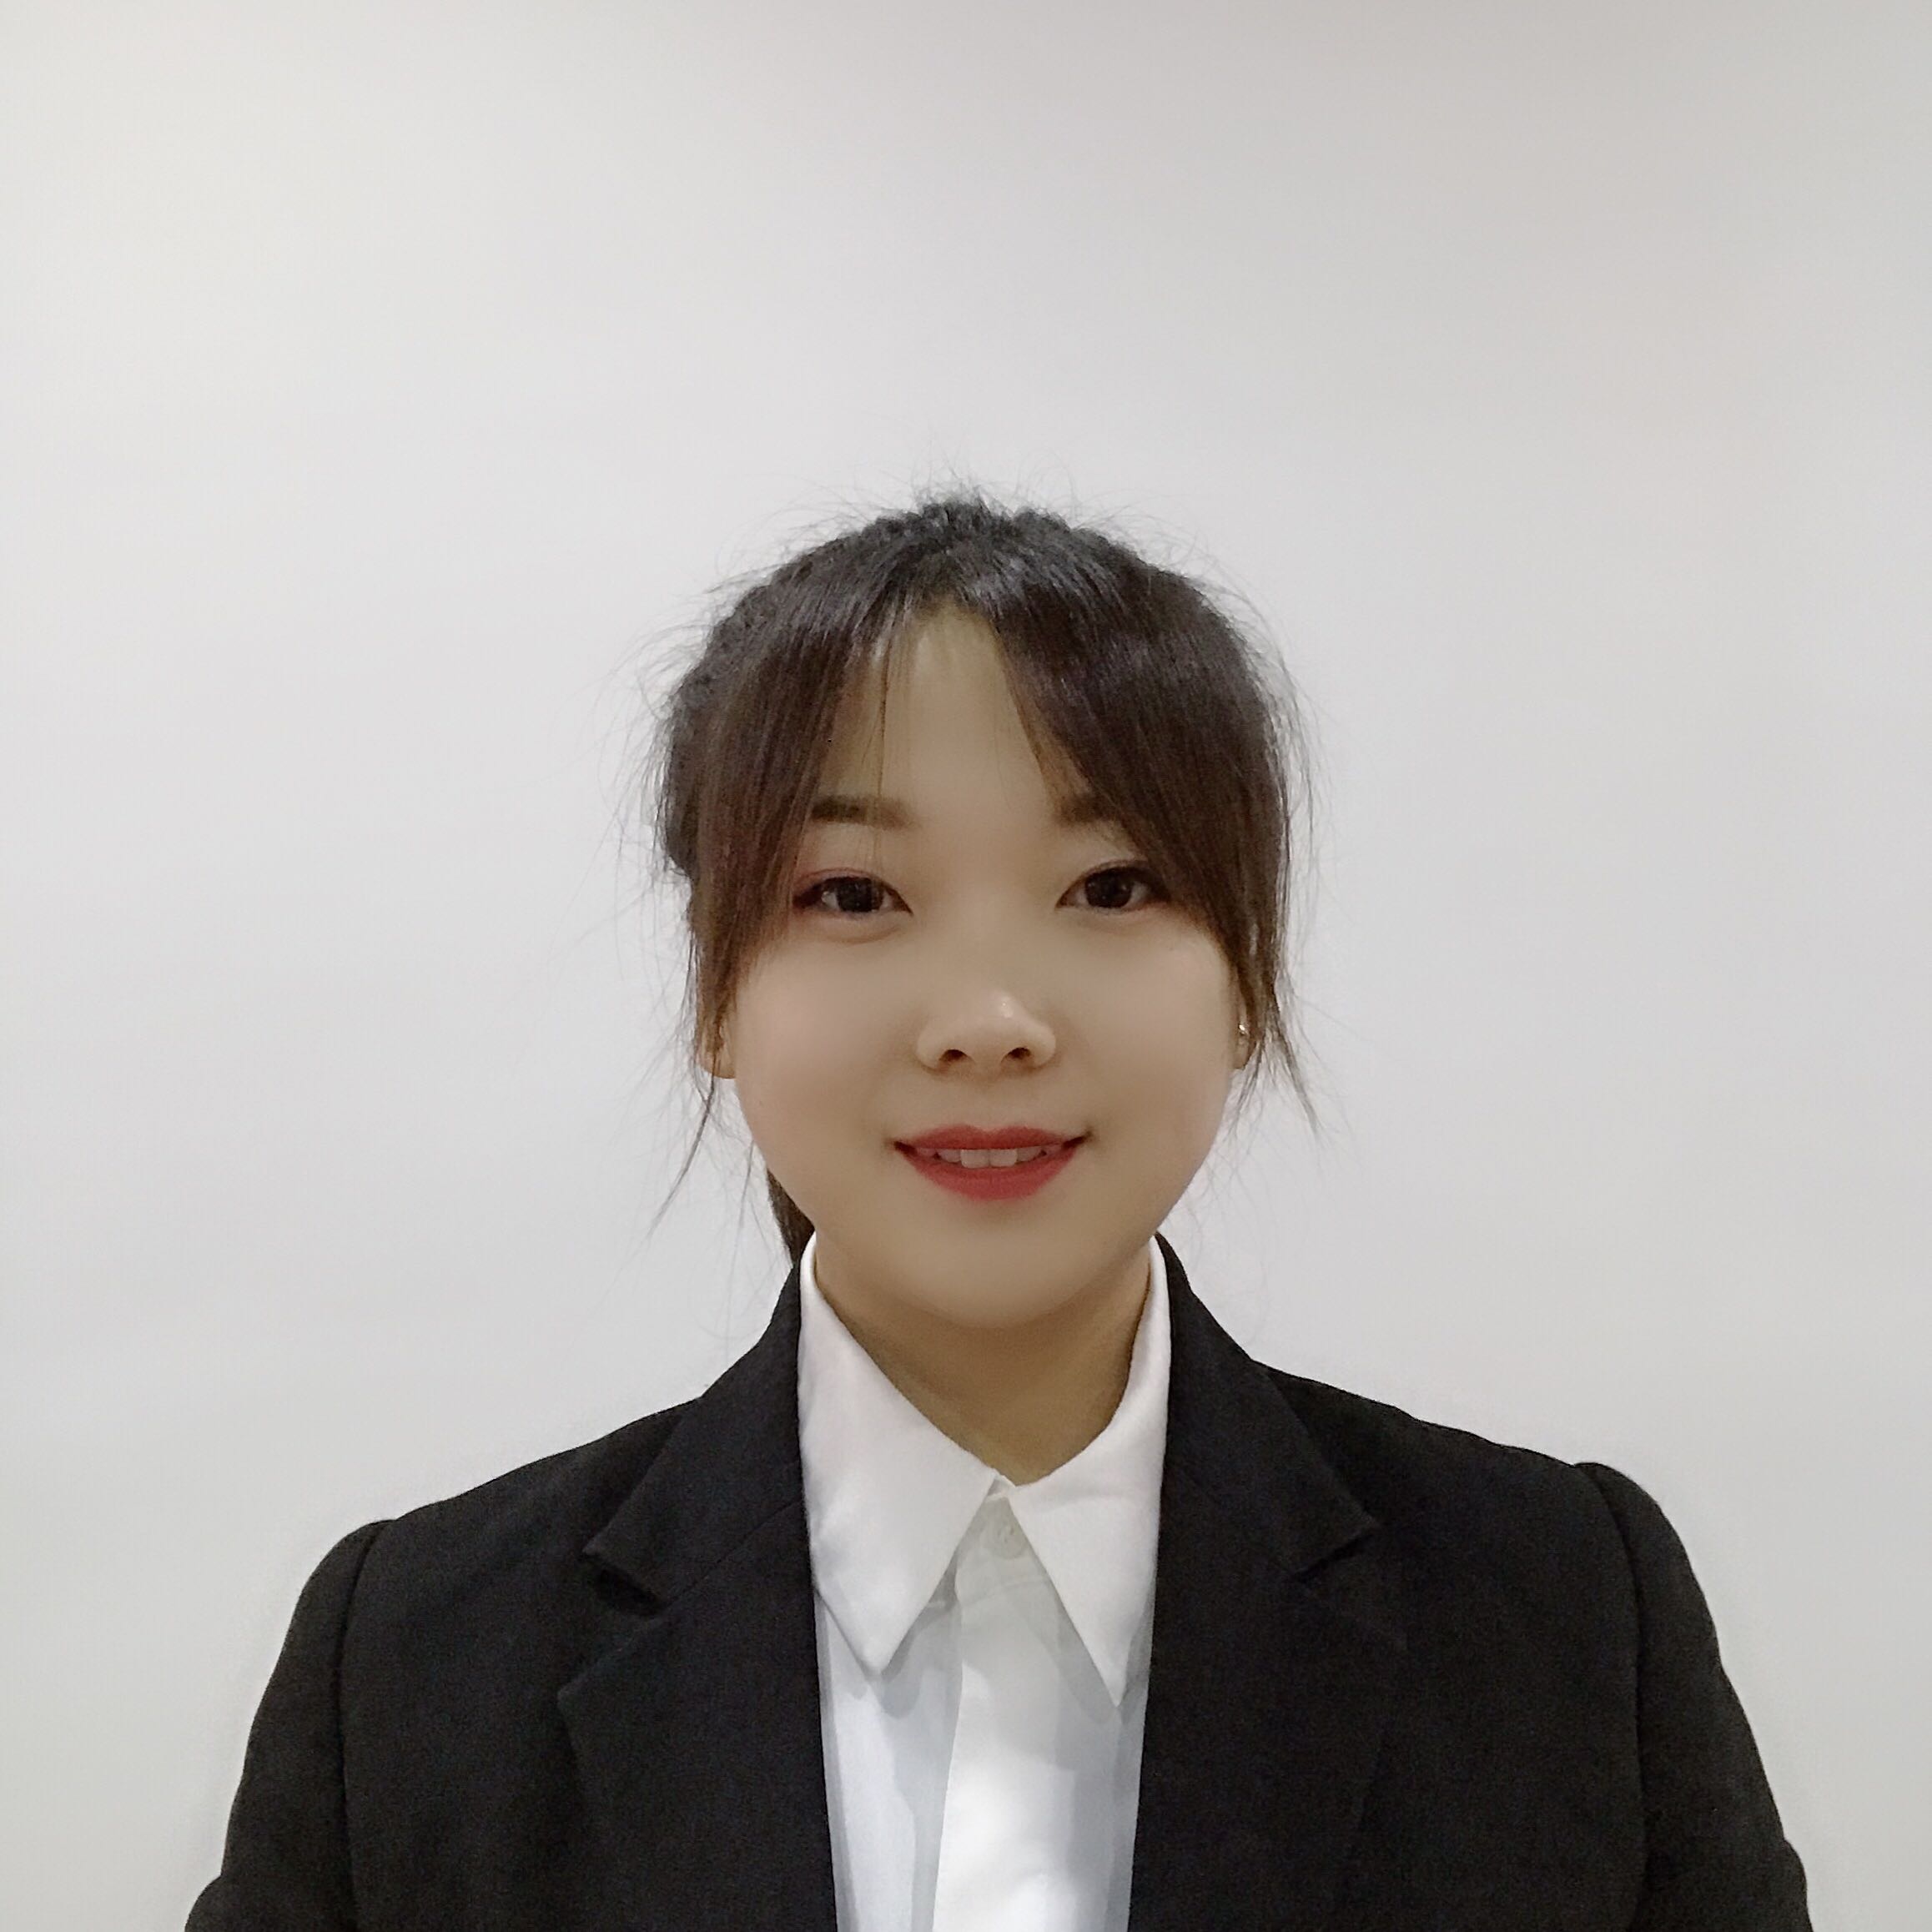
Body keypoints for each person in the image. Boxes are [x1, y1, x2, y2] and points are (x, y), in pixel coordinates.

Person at [187, 494, 1811, 1929]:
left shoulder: (1564, 1615)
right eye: (852, 894)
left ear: (1246, 981)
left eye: (1112, 887)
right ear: (716, 995)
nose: (988, 1019)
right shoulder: (414, 1660)